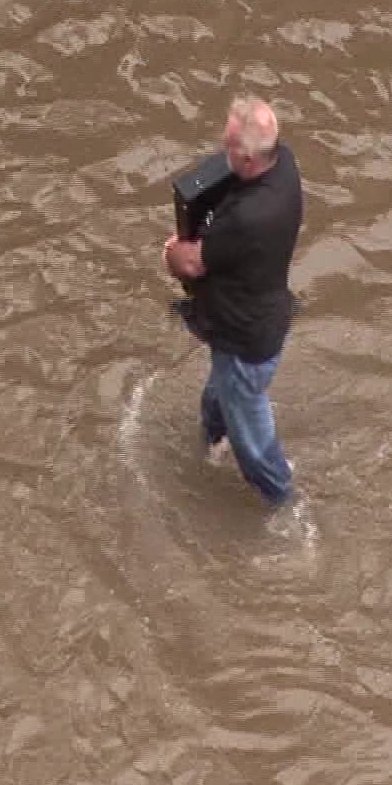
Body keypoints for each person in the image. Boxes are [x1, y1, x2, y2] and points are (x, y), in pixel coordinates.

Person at [162, 96, 303, 509]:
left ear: (247, 159)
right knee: (216, 398)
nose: (221, 154)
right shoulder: (285, 165)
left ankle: (286, 510)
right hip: (261, 314)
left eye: (228, 148)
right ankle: (213, 443)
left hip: (246, 340)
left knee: (254, 447)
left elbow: (188, 264)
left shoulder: (247, 219)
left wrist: (169, 250)